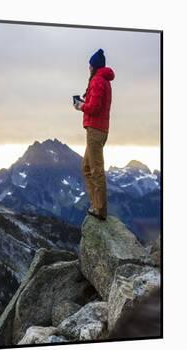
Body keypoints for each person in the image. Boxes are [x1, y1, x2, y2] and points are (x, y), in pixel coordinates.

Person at [74, 48, 115, 221]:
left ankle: (100, 210)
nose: (88, 68)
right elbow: (96, 103)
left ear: (94, 66)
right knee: (86, 168)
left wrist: (80, 106)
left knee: (96, 170)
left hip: (95, 130)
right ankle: (96, 205)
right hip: (99, 129)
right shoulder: (103, 81)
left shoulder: (98, 80)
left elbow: (95, 107)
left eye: (90, 65)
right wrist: (85, 102)